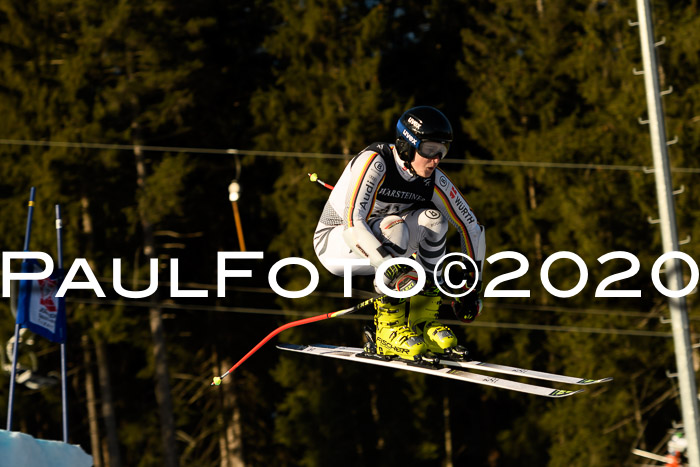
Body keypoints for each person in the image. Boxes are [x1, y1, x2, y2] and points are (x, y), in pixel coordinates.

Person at [313, 106, 485, 361]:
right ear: (406, 145)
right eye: (429, 150)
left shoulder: (432, 179)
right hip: (336, 243)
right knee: (394, 226)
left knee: (435, 222)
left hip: (386, 242)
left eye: (442, 151)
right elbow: (352, 223)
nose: (436, 159)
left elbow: (470, 225)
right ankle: (386, 329)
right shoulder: (375, 162)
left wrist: (472, 286)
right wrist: (388, 266)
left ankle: (422, 321)